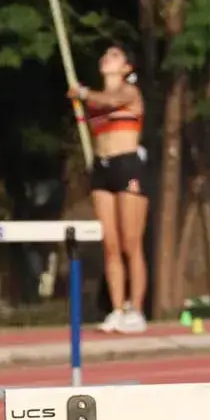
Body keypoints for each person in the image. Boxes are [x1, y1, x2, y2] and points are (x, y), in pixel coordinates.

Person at [67, 43, 149, 334]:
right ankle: (116, 309)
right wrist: (80, 103)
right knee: (110, 245)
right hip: (102, 169)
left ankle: (136, 310)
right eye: (106, 54)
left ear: (126, 68)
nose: (106, 57)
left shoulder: (129, 92)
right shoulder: (96, 101)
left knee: (131, 242)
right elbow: (93, 117)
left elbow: (110, 102)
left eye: (114, 55)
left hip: (127, 166)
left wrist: (85, 94)